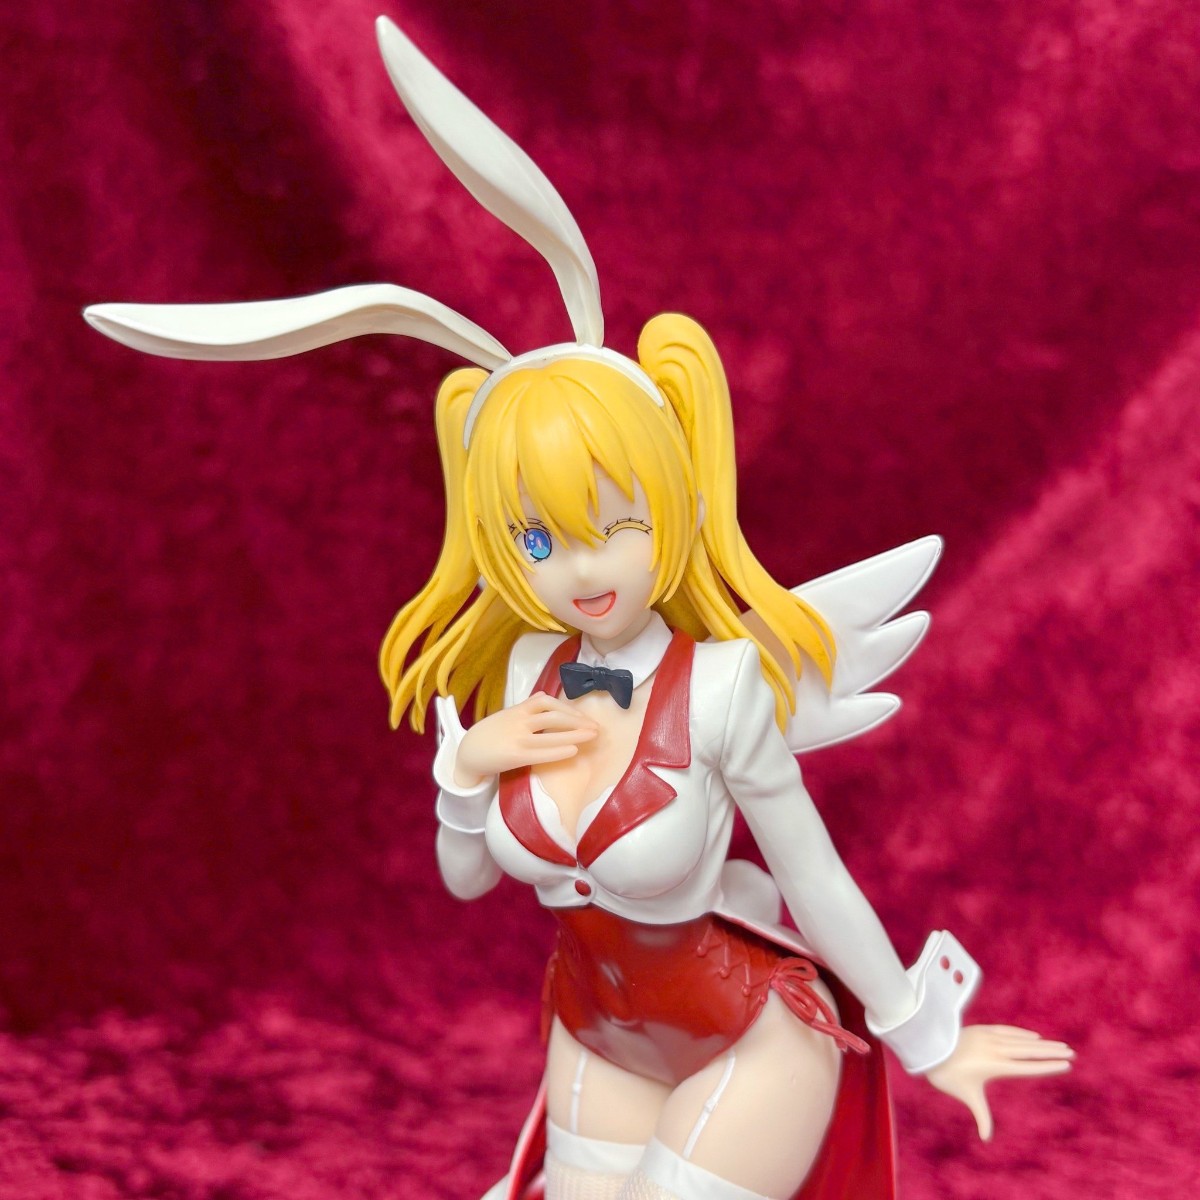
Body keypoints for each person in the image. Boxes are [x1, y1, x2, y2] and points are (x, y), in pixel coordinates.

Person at [83, 18, 1074, 1200]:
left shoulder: (721, 687)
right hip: (597, 1029)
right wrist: (468, 775)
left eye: (619, 523)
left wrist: (927, 1036)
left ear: (675, 501)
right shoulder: (526, 673)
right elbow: (468, 881)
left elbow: (814, 878)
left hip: (749, 1035)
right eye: (539, 538)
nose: (581, 569)